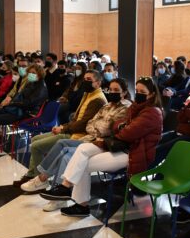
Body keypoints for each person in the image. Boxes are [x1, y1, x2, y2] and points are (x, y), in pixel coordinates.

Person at [40, 76, 164, 217]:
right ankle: (65, 186)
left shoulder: (153, 112)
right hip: (118, 145)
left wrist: (122, 127)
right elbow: (116, 125)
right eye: (137, 90)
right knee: (82, 149)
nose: (139, 94)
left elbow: (127, 133)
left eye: (143, 92)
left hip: (132, 153)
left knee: (83, 164)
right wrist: (122, 127)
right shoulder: (135, 108)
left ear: (152, 94)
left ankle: (81, 204)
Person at [21, 79, 132, 212]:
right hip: (90, 138)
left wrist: (99, 126)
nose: (112, 92)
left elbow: (106, 129)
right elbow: (90, 124)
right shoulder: (107, 106)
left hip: (100, 143)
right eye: (110, 89)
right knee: (61, 143)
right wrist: (99, 126)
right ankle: (44, 178)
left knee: (67, 154)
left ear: (124, 92)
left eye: (116, 90)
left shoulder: (123, 108)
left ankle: (55, 191)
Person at [12, 70, 107, 186]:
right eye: (84, 79)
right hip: (73, 129)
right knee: (34, 139)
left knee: (36, 146)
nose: (85, 82)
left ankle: (39, 180)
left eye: (89, 80)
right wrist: (63, 126)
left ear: (98, 83)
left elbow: (83, 124)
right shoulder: (88, 94)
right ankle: (33, 174)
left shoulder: (97, 99)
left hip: (79, 134)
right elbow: (77, 118)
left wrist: (63, 128)